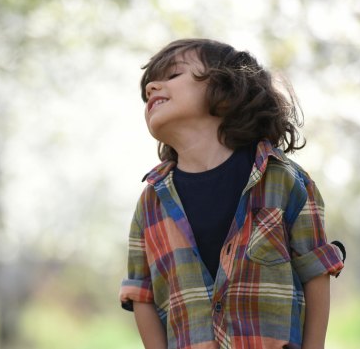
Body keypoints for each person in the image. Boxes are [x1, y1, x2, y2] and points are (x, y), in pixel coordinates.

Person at [120, 39, 346, 349]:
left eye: (173, 75)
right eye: (148, 87)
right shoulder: (150, 204)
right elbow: (141, 294)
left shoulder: (284, 181)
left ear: (226, 90)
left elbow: (315, 270)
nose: (152, 89)